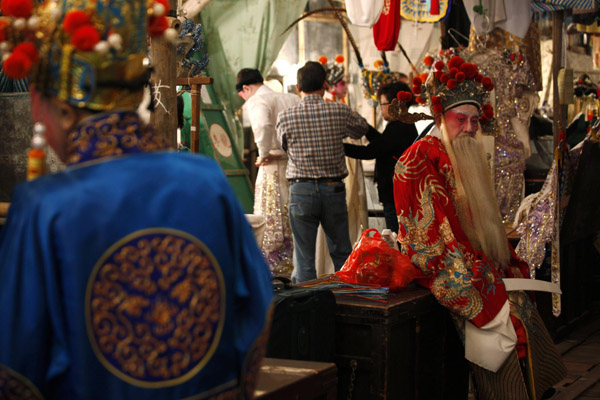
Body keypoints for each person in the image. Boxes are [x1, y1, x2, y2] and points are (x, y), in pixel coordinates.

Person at [0, 1, 273, 399]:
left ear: (56, 105)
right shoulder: (207, 182)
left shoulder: (44, 206)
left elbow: (17, 361)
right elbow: (258, 306)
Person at [392, 54, 566, 399]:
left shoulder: (462, 150)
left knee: (516, 285)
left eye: (475, 120)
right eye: (462, 120)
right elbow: (432, 235)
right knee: (497, 306)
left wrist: (492, 257)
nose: (470, 128)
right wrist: (477, 270)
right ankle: (510, 392)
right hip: (442, 262)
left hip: (468, 255)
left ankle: (535, 384)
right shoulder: (418, 158)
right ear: (441, 117)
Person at [276, 61, 373, 283]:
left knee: (304, 258)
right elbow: (362, 129)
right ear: (325, 85)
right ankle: (347, 303)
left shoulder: (286, 116)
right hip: (333, 189)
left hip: (301, 190)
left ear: (298, 88)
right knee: (341, 252)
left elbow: (284, 146)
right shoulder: (339, 110)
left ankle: (308, 308)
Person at [236, 68, 300, 277]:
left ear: (246, 88)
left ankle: (275, 269)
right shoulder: (291, 97)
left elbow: (263, 125)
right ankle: (297, 266)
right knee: (292, 216)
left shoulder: (257, 100)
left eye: (242, 95)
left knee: (271, 216)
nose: (244, 98)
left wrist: (263, 153)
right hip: (294, 164)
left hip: (272, 164)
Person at [344, 82, 418, 233]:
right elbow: (383, 144)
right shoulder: (403, 124)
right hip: (398, 193)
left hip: (395, 195)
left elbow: (371, 152)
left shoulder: (398, 127)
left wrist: (339, 147)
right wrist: (365, 128)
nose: (381, 108)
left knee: (397, 236)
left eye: (383, 104)